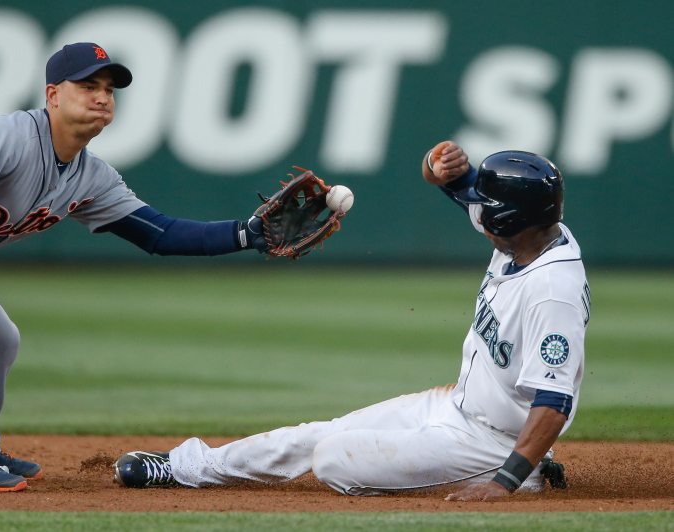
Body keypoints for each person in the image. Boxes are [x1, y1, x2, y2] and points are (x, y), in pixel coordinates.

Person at [0, 42, 268, 492]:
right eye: (88, 85)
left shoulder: (91, 176)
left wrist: (247, 234)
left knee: (1, 338)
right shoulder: (11, 134)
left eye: (109, 89)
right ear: (53, 95)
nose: (102, 96)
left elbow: (163, 234)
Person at [114, 141, 589, 501]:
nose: (475, 208)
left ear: (506, 220)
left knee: (335, 460)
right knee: (323, 432)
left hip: (495, 441)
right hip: (454, 408)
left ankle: (522, 475)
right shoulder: (529, 230)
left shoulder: (553, 293)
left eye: (485, 205)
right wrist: (437, 165)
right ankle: (186, 466)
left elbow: (553, 401)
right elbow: (446, 182)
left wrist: (504, 481)